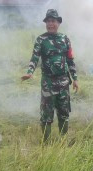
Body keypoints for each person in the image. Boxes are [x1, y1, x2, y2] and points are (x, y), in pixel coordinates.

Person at [21, 9, 79, 142]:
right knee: (46, 114)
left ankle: (63, 141)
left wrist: (75, 79)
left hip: (64, 82)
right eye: (48, 21)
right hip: (48, 82)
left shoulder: (65, 39)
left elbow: (70, 60)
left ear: (58, 23)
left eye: (53, 21)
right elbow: (34, 58)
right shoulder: (41, 40)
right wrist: (29, 72)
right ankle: (46, 143)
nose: (50, 24)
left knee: (64, 113)